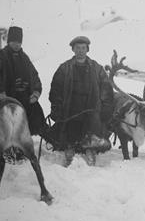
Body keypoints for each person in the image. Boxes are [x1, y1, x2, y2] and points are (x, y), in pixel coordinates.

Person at [48, 36, 114, 167]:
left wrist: (106, 107)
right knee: (69, 135)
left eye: (83, 48)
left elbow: (106, 88)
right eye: (77, 48)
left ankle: (90, 151)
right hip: (70, 108)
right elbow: (55, 89)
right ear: (73, 49)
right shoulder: (64, 68)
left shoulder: (97, 68)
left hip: (90, 108)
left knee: (92, 133)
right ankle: (69, 151)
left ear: (87, 49)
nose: (80, 51)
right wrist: (57, 107)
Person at [0, 26, 45, 136]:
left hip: (25, 97)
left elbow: (34, 76)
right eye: (13, 42)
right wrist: (1, 92)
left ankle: (27, 141)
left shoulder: (24, 58)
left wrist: (36, 93)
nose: (16, 44)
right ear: (8, 42)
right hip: (7, 97)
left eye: (18, 42)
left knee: (37, 118)